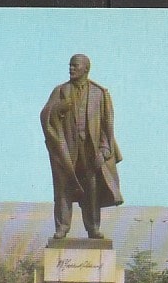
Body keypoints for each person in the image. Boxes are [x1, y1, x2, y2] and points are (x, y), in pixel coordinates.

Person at [41, 54, 124, 240]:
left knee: (92, 189)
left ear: (86, 69)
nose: (71, 68)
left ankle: (93, 228)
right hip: (67, 150)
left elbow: (108, 125)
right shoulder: (60, 91)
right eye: (70, 65)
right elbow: (45, 115)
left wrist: (104, 150)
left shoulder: (99, 93)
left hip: (91, 151)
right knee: (63, 188)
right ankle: (62, 227)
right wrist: (59, 108)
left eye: (75, 65)